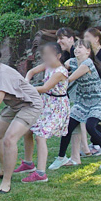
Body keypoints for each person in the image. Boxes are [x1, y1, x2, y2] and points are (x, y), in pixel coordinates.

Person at [0, 43, 43, 194]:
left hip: (30, 104)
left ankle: (7, 181)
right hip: (15, 104)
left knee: (9, 139)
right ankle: (4, 168)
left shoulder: (2, 73)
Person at [49, 39, 101, 170]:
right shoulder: (72, 62)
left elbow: (69, 78)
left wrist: (53, 82)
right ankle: (61, 158)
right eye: (75, 47)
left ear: (88, 51)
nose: (76, 49)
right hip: (83, 101)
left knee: (91, 126)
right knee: (68, 127)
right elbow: (61, 69)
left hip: (98, 100)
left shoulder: (87, 63)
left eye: (80, 47)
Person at [23, 43, 70, 183]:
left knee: (40, 136)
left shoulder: (60, 71)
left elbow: (45, 88)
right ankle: (28, 163)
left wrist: (25, 89)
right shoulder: (48, 64)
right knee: (28, 130)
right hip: (46, 104)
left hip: (58, 107)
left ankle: (41, 173)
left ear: (58, 56)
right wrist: (26, 81)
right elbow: (30, 72)